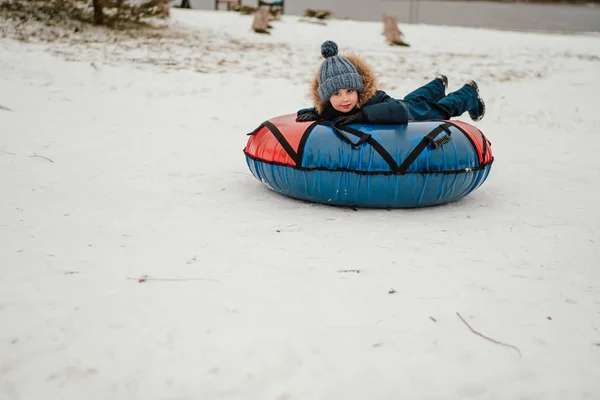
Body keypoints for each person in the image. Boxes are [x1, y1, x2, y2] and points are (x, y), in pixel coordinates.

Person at [296, 41, 485, 125]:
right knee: (415, 99)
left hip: (412, 117)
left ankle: (469, 93)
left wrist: (364, 115)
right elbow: (331, 112)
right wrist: (317, 113)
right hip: (408, 104)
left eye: (349, 90)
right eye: (336, 94)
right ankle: (437, 85)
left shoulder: (372, 99)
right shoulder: (335, 107)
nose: (344, 99)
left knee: (438, 109)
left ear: (359, 89)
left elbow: (401, 109)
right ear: (327, 97)